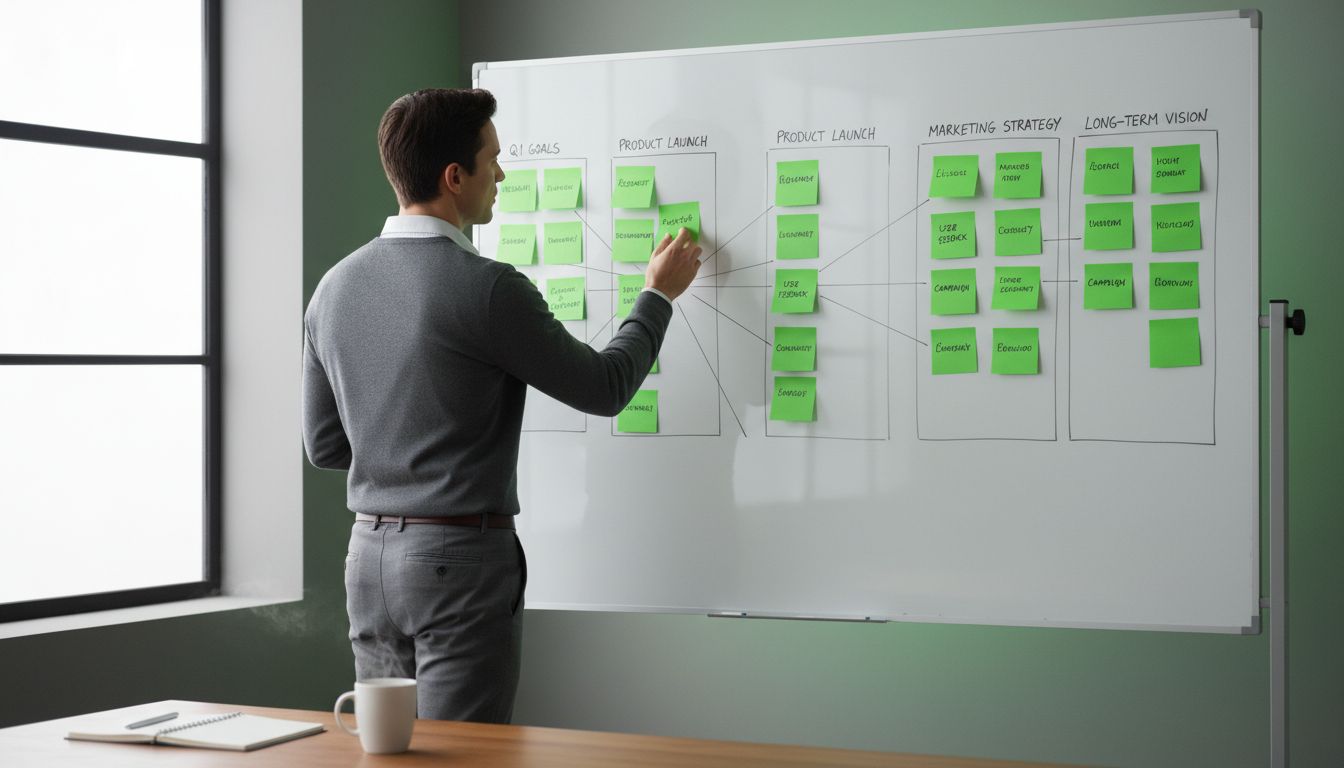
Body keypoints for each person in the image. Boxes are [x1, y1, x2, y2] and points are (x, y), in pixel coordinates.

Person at [301, 88, 701, 723]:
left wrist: (402, 448)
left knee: (391, 752)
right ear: (454, 177)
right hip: (458, 561)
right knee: (463, 758)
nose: (502, 173)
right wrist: (658, 295)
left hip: (367, 560)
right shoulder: (488, 290)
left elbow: (325, 446)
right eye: (493, 159)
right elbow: (604, 388)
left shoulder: (334, 286)